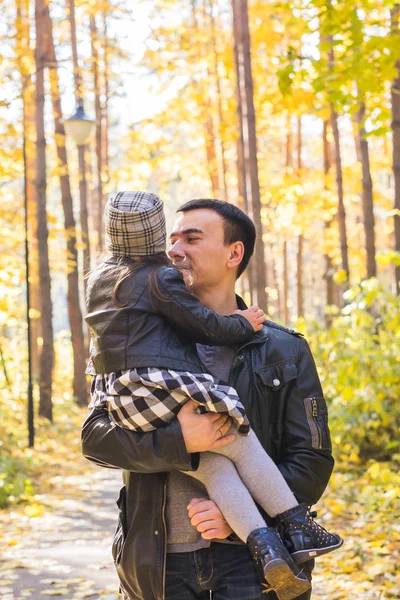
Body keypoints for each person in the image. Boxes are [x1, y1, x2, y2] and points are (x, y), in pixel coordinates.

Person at [82, 196, 338, 600]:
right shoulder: (131, 342)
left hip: (251, 565)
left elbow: (312, 458)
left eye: (192, 238)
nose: (174, 249)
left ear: (234, 253)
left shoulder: (283, 349)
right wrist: (179, 442)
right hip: (158, 563)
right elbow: (95, 439)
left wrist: (239, 517)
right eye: (171, 238)